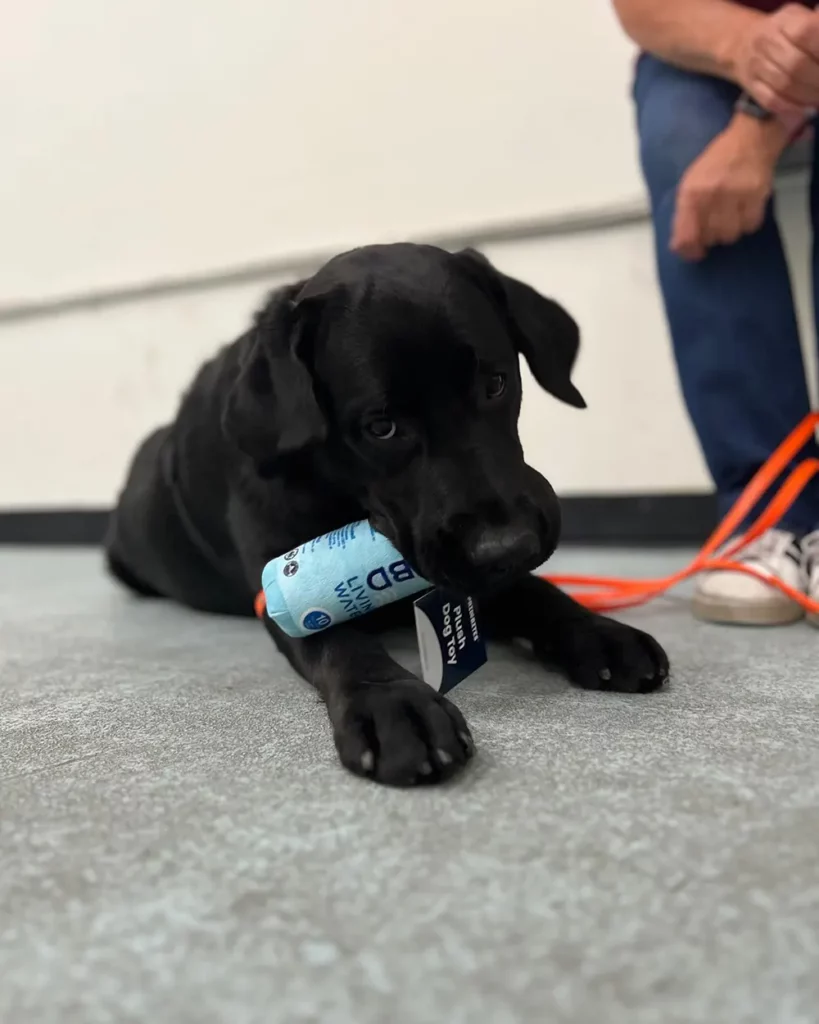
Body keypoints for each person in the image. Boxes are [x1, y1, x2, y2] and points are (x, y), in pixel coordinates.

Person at [612, 0, 819, 625]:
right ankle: (767, 519)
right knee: (681, 136)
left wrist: (763, 116)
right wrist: (756, 53)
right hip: (723, 46)